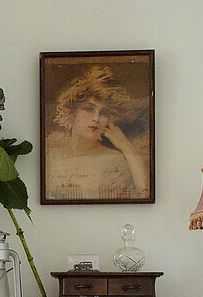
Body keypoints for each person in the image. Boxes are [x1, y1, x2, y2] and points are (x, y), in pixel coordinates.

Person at [45, 65, 150, 201]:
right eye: (89, 108)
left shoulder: (116, 161)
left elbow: (143, 196)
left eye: (103, 113)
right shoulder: (51, 156)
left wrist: (125, 145)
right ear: (73, 113)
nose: (96, 118)